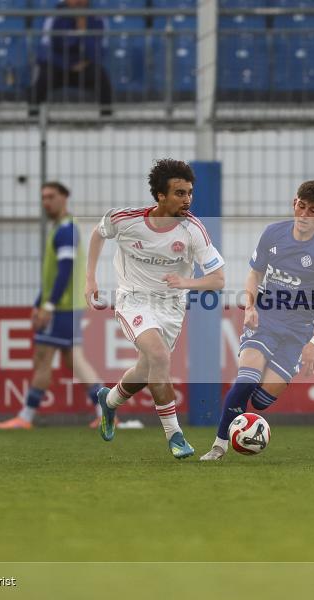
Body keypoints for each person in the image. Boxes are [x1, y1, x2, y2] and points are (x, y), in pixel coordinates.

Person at [85, 159, 225, 459]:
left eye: (189, 192)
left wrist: (185, 282)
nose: (187, 199)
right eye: (179, 193)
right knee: (159, 356)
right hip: (132, 299)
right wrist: (90, 278)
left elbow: (218, 279)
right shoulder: (126, 219)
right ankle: (175, 436)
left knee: (147, 369)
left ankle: (109, 401)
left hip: (171, 307)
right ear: (160, 196)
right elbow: (98, 233)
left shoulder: (194, 229)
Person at [200, 181, 314, 461]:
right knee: (245, 380)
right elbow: (255, 273)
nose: (304, 215)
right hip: (264, 320)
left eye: (313, 210)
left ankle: (243, 413)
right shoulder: (273, 233)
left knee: (262, 401)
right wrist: (250, 306)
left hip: (298, 331)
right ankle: (219, 446)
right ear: (294, 203)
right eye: (301, 207)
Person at [0, 181, 105, 429]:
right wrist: (40, 302)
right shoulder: (62, 228)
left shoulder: (66, 229)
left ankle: (25, 417)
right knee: (73, 359)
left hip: (63, 307)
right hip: (67, 305)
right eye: (43, 197)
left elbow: (64, 271)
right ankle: (105, 408)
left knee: (44, 357)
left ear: (64, 197)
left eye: (51, 196)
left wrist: (49, 305)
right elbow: (52, 274)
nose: (46, 202)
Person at [29, 0, 113, 117]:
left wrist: (83, 32)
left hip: (84, 66)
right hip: (58, 66)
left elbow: (100, 51)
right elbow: (46, 49)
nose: (78, 2)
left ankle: (107, 120)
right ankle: (33, 119)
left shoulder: (98, 18)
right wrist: (68, 64)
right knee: (41, 80)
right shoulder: (54, 17)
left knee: (102, 78)